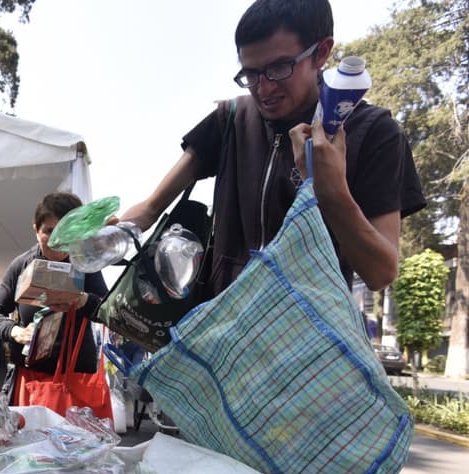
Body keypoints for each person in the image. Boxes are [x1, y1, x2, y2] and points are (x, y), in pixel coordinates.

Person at [114, 0, 424, 298]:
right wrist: (113, 236)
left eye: (279, 68)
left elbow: (381, 273)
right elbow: (151, 208)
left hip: (307, 342)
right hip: (224, 332)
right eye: (250, 74)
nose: (263, 89)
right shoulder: (231, 119)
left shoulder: (373, 132)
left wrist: (332, 193)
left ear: (322, 52)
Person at [0, 193, 108, 396]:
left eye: (66, 232)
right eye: (49, 231)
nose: (57, 240)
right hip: (31, 376)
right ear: (36, 229)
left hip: (77, 375)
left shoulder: (86, 263)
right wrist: (16, 331)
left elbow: (107, 309)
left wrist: (83, 300)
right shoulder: (22, 265)